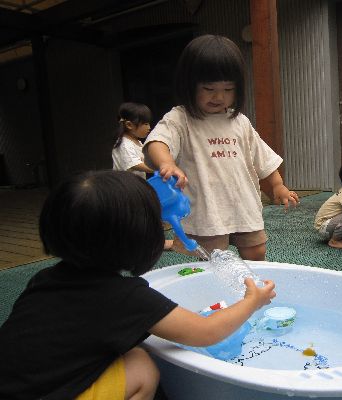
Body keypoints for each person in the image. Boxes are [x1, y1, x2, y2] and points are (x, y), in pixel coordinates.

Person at [0, 170, 276, 400]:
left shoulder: (44, 279)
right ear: (140, 239)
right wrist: (252, 301)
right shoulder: (124, 298)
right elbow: (206, 332)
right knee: (142, 367)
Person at [144, 34, 299, 261]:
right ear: (189, 84)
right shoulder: (180, 118)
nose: (219, 97)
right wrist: (167, 162)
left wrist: (277, 185)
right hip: (207, 210)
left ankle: (253, 284)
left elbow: (262, 157)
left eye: (228, 89)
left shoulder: (239, 121)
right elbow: (158, 142)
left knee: (256, 251)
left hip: (244, 204)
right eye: (209, 88)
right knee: (213, 259)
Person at [112, 102, 173, 251]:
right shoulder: (123, 144)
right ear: (129, 125)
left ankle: (153, 242)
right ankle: (141, 244)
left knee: (145, 216)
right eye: (145, 124)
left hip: (137, 188)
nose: (149, 127)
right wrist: (159, 168)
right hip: (125, 190)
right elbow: (135, 164)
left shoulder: (137, 143)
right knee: (134, 218)